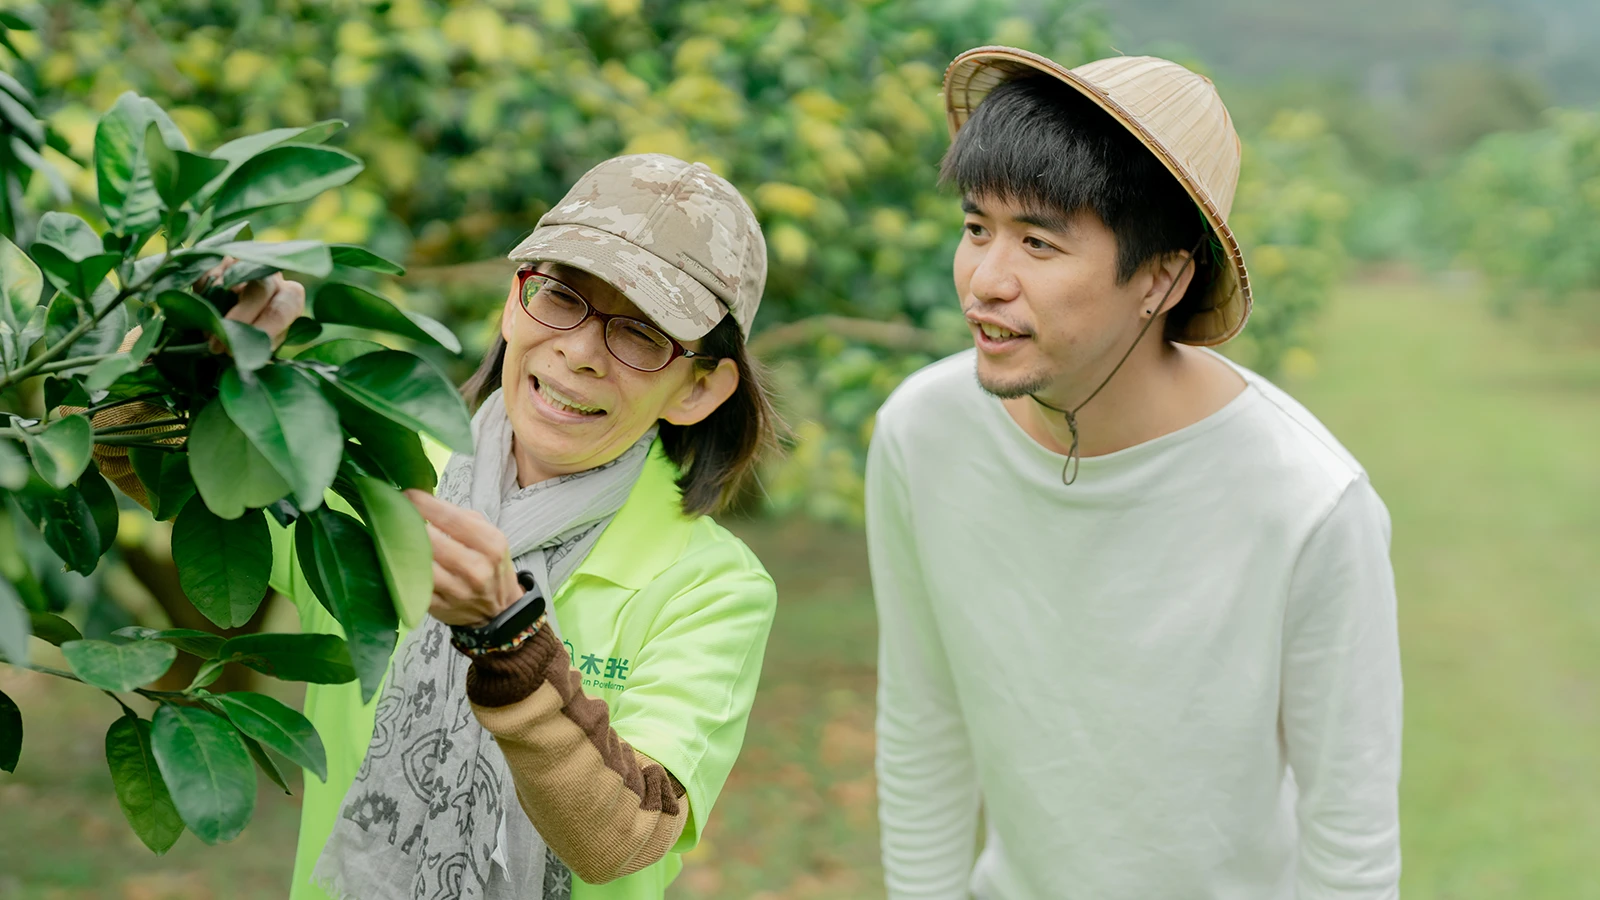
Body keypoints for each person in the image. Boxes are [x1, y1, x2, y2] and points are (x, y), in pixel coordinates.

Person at [96, 153, 780, 900]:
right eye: (562, 297)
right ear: (515, 302)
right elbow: (124, 448)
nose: (579, 352)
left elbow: (624, 838)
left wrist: (509, 640)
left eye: (643, 335)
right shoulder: (376, 466)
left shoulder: (711, 587)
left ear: (700, 388)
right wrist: (184, 351)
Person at [867, 49, 1401, 899]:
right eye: (976, 229)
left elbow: (1351, 838)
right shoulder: (923, 434)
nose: (986, 281)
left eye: (1038, 242)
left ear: (1161, 278)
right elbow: (922, 722)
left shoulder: (1307, 501)